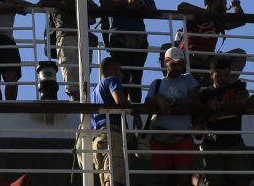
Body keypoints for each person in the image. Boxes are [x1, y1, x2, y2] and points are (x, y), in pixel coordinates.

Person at [38, 0, 98, 102]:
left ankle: (82, 104)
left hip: (84, 37)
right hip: (66, 37)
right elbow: (41, 3)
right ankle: (77, 106)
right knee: (71, 78)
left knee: (84, 78)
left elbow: (95, 16)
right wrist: (70, 0)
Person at [99, 0, 156, 103]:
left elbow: (153, 9)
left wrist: (139, 3)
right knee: (121, 75)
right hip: (119, 39)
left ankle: (135, 107)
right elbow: (104, 5)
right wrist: (125, 1)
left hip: (139, 40)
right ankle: (123, 106)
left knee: (136, 77)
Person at [144, 48, 200, 186]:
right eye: (174, 64)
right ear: (166, 63)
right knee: (162, 180)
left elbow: (195, 100)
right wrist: (158, 98)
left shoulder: (188, 78)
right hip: (159, 137)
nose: (178, 67)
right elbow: (147, 102)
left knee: (184, 179)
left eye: (180, 63)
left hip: (182, 136)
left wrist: (172, 101)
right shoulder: (156, 83)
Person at [83, 57, 138, 186]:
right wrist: (135, 112)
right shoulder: (112, 80)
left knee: (107, 179)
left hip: (98, 140)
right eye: (120, 70)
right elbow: (119, 101)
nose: (122, 75)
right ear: (112, 69)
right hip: (111, 136)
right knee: (115, 179)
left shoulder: (95, 91)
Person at [199, 57, 249, 186]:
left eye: (226, 75)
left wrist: (222, 106)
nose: (223, 79)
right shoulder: (204, 94)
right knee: (214, 182)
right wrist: (207, 110)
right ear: (211, 75)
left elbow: (243, 97)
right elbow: (197, 113)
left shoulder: (237, 87)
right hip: (212, 144)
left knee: (241, 180)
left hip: (234, 142)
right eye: (219, 76)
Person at [178, 0, 244, 86]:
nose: (225, 7)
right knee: (168, 50)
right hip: (189, 56)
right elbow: (181, 6)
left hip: (209, 59)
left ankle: (226, 85)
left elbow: (240, 21)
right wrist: (208, 14)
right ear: (216, 2)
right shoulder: (196, 15)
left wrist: (236, 6)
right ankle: (174, 80)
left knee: (239, 54)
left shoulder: (219, 21)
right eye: (224, 3)